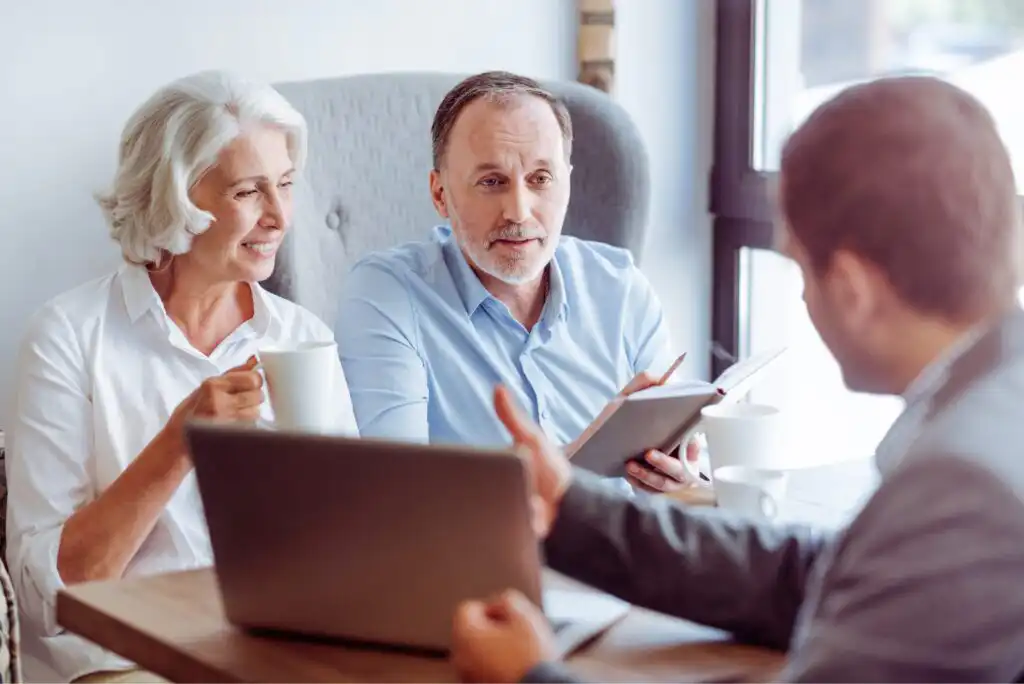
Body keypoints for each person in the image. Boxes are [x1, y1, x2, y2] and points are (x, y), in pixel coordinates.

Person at [448, 76, 1024, 682]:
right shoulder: (994, 405)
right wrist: (570, 507)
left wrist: (530, 678)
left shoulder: (963, 482)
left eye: (800, 267)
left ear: (852, 290)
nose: (802, 295)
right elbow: (817, 574)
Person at [6, 70, 358, 683]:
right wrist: (179, 441)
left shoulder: (304, 341)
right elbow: (47, 601)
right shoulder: (67, 337)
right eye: (249, 191)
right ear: (175, 199)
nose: (279, 216)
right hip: (125, 661)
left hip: (274, 652)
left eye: (285, 185)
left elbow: (356, 544)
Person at [337, 71, 694, 494]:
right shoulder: (387, 294)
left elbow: (680, 483)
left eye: (541, 179)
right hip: (478, 559)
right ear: (439, 194)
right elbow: (399, 496)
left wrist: (680, 477)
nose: (519, 212)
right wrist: (588, 456)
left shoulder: (620, 286)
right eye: (492, 182)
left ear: (567, 182)